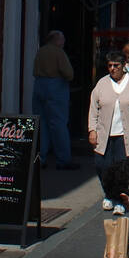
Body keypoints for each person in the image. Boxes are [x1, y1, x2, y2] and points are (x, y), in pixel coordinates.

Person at [88, 47, 129, 201]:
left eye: (116, 65)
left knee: (125, 169)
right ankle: (109, 195)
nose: (112, 69)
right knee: (102, 165)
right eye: (110, 65)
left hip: (127, 135)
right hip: (105, 135)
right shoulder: (102, 84)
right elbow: (93, 109)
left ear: (123, 66)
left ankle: (123, 199)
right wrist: (92, 130)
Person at [32, 29, 79, 170]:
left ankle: (40, 158)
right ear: (56, 40)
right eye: (62, 39)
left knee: (42, 124)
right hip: (56, 87)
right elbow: (69, 73)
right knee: (58, 124)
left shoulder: (41, 51)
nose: (64, 42)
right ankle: (63, 160)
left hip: (39, 86)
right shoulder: (59, 52)